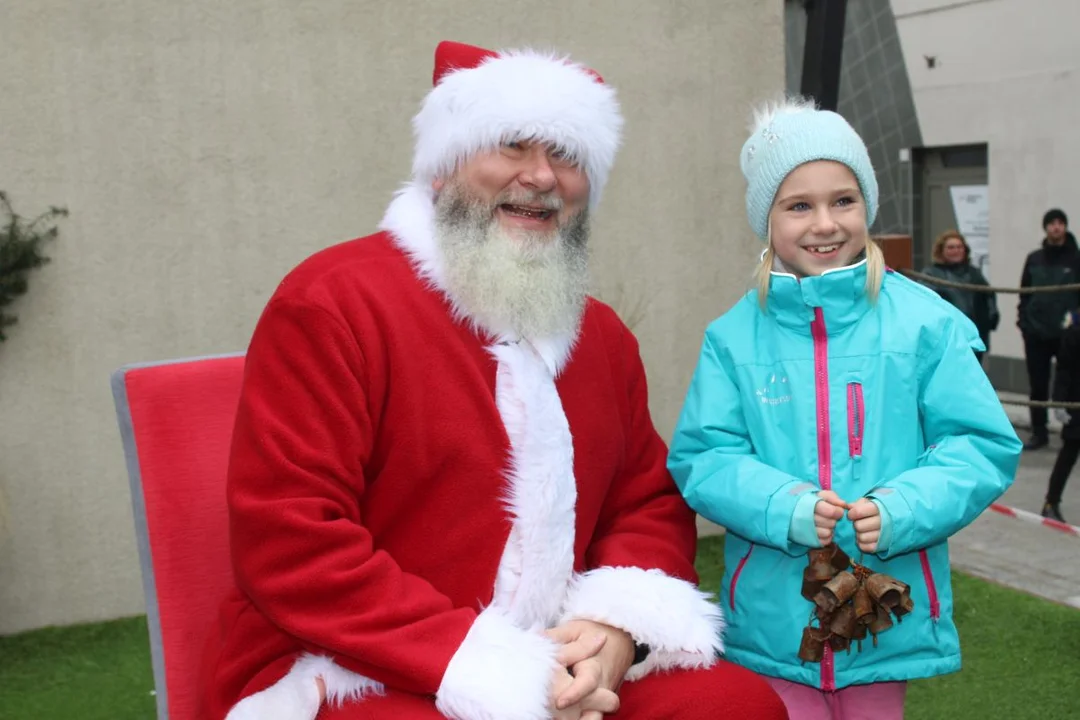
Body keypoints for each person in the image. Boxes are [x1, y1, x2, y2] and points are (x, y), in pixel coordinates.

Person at [201, 41, 788, 720]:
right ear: (444, 166)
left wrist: (612, 631)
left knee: (733, 706)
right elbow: (292, 541)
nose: (541, 177)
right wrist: (496, 670)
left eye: (566, 156)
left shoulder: (600, 336)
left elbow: (643, 503)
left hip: (558, 650)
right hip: (352, 664)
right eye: (511, 146)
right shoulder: (330, 304)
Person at [667, 98, 1022, 719]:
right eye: (798, 205)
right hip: (775, 619)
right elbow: (705, 456)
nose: (824, 223)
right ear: (766, 219)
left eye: (843, 201)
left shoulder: (926, 325)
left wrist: (903, 509)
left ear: (868, 207)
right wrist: (786, 507)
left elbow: (979, 444)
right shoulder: (732, 337)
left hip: (886, 613)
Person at [1017, 208, 1080, 450]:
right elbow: (1024, 294)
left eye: (1060, 223)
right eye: (1051, 223)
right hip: (1037, 334)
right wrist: (1024, 323)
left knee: (1072, 384)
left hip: (1069, 335)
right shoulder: (1034, 259)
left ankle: (1073, 431)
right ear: (1045, 228)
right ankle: (1039, 431)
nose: (1056, 227)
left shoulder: (1076, 258)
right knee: (1038, 385)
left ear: (1065, 226)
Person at [919, 230, 998, 362]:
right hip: (947, 339)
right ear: (941, 250)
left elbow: (988, 296)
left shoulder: (974, 273)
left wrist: (990, 319)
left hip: (974, 336)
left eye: (959, 247)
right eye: (951, 247)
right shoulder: (931, 274)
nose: (956, 250)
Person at [1042, 309, 1080, 523]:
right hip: (1076, 402)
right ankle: (1051, 502)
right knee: (1069, 453)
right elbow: (1064, 369)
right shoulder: (1074, 332)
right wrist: (1059, 402)